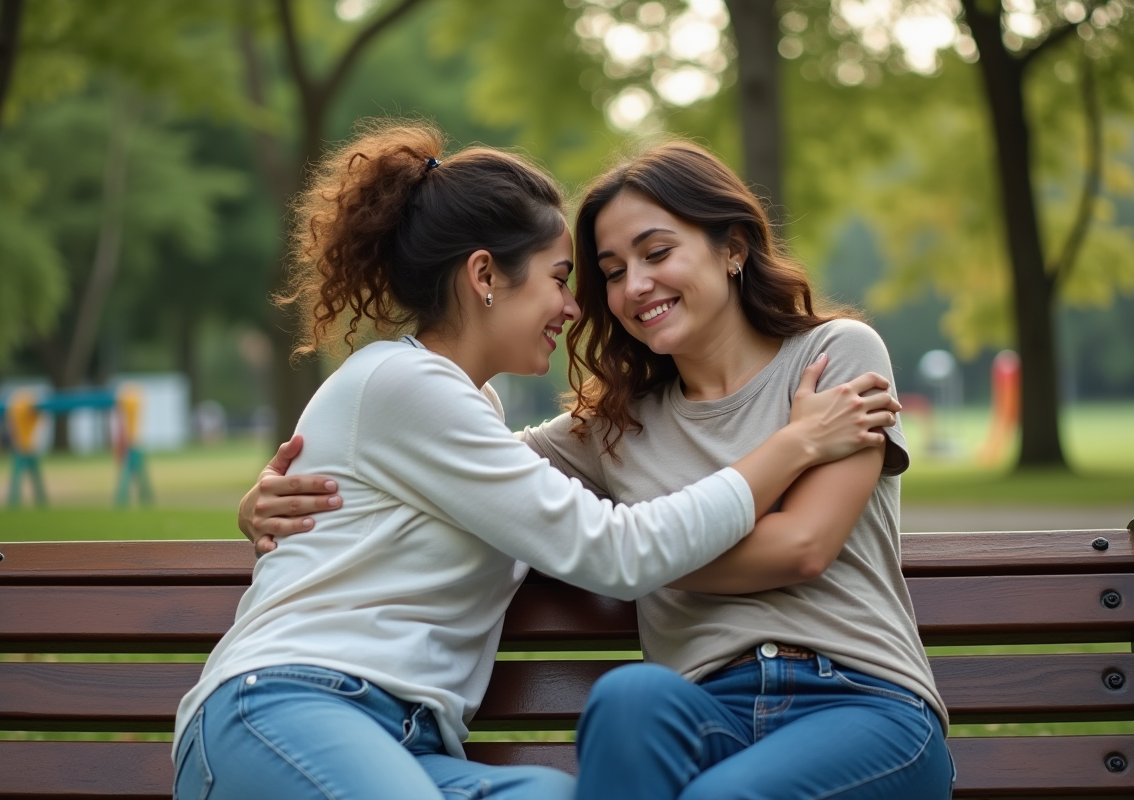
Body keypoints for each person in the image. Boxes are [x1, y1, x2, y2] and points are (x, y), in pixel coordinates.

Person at [174, 122, 899, 800]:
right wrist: (795, 444)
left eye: (652, 255)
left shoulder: (467, 413)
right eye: (569, 276)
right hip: (290, 701)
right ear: (485, 275)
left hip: (413, 744)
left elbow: (508, 495)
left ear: (733, 248)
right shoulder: (404, 386)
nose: (579, 306)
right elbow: (612, 549)